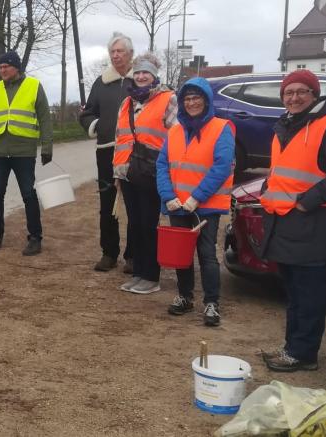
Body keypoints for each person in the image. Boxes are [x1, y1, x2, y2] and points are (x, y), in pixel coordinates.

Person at [259, 69, 326, 372]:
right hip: (286, 221)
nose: (294, 97)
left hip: (312, 222)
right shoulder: (287, 126)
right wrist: (268, 188)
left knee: (309, 292)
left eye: (302, 91)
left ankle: (303, 354)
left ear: (314, 95)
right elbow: (284, 171)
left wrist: (307, 202)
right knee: (294, 292)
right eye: (289, 93)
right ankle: (293, 347)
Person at [156, 77, 235, 327]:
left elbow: (221, 167)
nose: (191, 103)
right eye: (187, 99)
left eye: (196, 98)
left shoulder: (222, 128)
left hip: (206, 204)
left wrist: (196, 198)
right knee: (181, 253)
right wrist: (168, 196)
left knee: (206, 253)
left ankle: (211, 302)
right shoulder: (175, 131)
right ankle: (185, 296)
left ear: (206, 100)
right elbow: (162, 165)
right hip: (177, 204)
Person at [0, 50, 53, 256]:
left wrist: (47, 147)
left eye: (6, 66)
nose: (2, 70)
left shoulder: (33, 86)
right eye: (0, 67)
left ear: (16, 67)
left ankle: (35, 238)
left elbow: (44, 118)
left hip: (23, 151)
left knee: (28, 194)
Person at [115, 53, 177, 295]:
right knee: (135, 225)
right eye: (138, 72)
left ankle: (151, 276)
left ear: (154, 75)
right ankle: (139, 272)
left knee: (149, 224)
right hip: (128, 172)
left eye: (146, 72)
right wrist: (117, 172)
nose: (141, 76)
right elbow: (119, 138)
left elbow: (176, 136)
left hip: (152, 171)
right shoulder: (127, 103)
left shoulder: (168, 99)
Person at [79, 32, 136, 272]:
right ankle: (109, 253)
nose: (115, 56)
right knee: (107, 202)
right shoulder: (101, 83)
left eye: (120, 51)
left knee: (135, 204)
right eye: (112, 52)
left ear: (130, 54)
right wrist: (97, 125)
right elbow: (87, 113)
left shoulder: (142, 80)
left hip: (135, 152)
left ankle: (133, 255)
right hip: (106, 152)